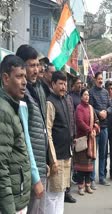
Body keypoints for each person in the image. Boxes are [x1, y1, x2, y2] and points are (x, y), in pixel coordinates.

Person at [16, 44, 48, 213]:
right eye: (32, 65)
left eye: (38, 65)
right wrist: (35, 177)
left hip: (40, 165)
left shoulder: (35, 90)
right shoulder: (22, 95)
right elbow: (25, 139)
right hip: (30, 171)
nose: (36, 70)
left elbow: (41, 129)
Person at [0, 55, 31, 214]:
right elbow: (1, 168)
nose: (24, 82)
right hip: (11, 204)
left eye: (25, 76)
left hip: (17, 197)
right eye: (19, 76)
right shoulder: (3, 111)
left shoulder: (12, 106)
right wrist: (9, 210)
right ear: (6, 79)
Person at [46, 71, 73, 214]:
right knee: (52, 195)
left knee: (61, 191)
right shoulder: (50, 102)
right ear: (53, 84)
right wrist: (53, 159)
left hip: (66, 153)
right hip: (56, 156)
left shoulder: (64, 100)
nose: (63, 86)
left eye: (65, 83)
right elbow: (48, 132)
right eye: (60, 83)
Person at [74, 88, 100, 195]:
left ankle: (88, 185)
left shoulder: (91, 108)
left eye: (88, 95)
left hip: (91, 140)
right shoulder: (79, 108)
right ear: (81, 96)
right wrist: (89, 130)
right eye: (85, 95)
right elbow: (79, 122)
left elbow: (97, 120)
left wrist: (94, 128)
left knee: (89, 166)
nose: (87, 97)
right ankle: (80, 187)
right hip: (82, 140)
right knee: (81, 166)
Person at [89, 72, 112, 187]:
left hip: (105, 128)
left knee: (103, 154)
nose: (100, 81)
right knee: (94, 154)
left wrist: (106, 112)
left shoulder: (106, 92)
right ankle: (92, 179)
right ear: (94, 80)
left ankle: (102, 177)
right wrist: (99, 113)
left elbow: (110, 105)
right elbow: (90, 107)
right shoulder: (91, 92)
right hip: (95, 127)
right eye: (98, 79)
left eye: (101, 79)